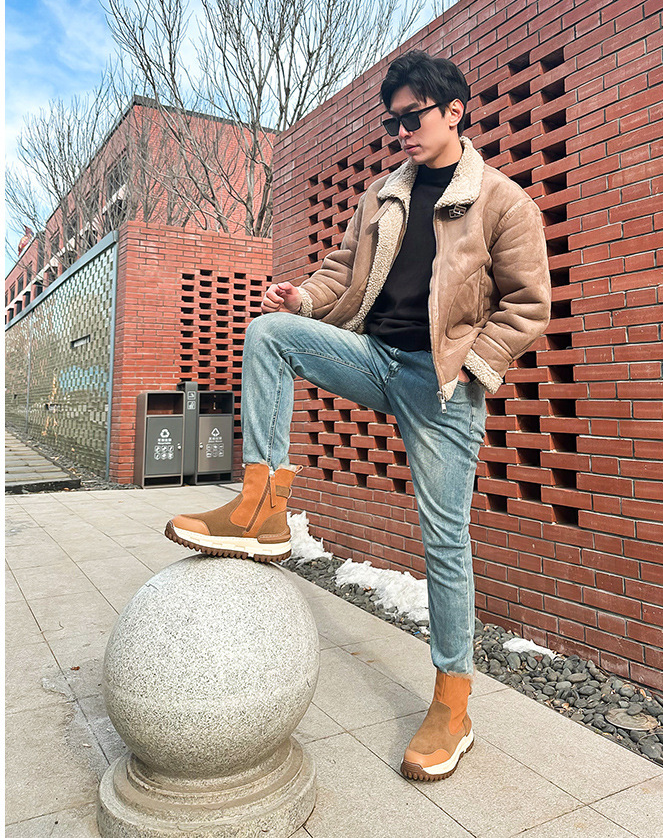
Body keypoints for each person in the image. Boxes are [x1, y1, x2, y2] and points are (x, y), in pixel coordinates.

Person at [166, 50, 551, 781]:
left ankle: (453, 702)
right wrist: (303, 299)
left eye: (413, 117)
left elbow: (528, 305)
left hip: (442, 384)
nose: (402, 131)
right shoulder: (383, 196)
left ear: (454, 111)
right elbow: (342, 272)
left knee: (445, 542)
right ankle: (263, 505)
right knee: (270, 333)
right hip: (376, 355)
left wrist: (472, 366)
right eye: (393, 121)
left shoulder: (503, 202)